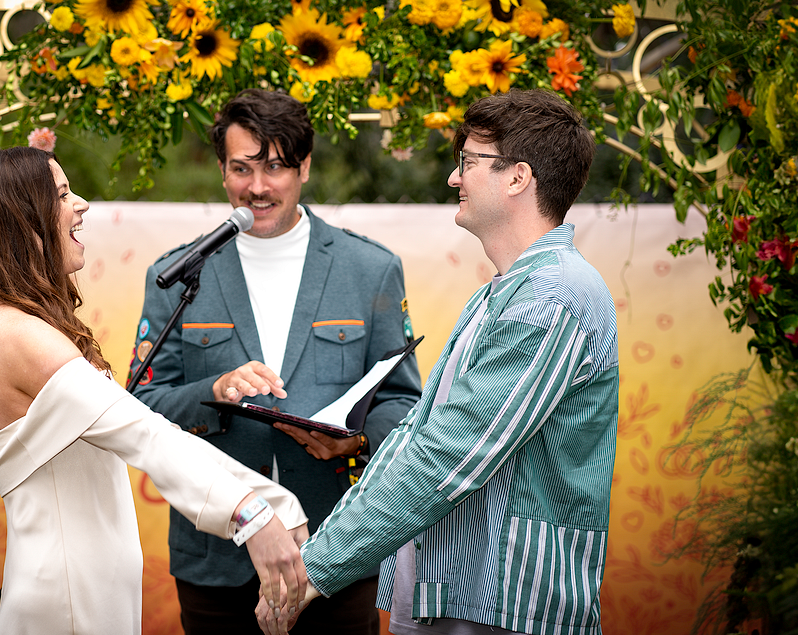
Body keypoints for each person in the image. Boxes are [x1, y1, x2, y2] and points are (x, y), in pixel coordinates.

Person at [262, 89, 618, 635]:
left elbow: (447, 457)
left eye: (469, 161)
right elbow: (419, 437)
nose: (455, 178)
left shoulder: (550, 297)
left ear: (518, 178)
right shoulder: (510, 290)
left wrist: (314, 568)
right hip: (460, 595)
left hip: (504, 604)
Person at [0, 146, 310, 635]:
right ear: (21, 220)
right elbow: (146, 435)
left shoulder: (20, 325)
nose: (81, 204)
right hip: (67, 604)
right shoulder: (14, 334)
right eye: (62, 194)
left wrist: (277, 506)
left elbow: (150, 432)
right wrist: (252, 517)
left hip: (86, 593)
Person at [129, 89, 422, 634]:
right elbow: (141, 404)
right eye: (242, 168)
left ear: (304, 167)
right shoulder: (177, 275)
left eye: (276, 167)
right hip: (216, 559)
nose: (258, 187)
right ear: (222, 171)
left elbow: (403, 401)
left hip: (339, 548)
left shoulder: (370, 268)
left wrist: (356, 440)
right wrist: (213, 390)